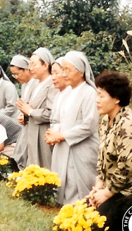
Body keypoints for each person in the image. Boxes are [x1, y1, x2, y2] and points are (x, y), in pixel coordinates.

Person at [87, 71, 132, 218]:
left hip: (130, 191)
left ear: (116, 98)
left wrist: (107, 193)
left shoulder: (128, 124)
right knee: (79, 212)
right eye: (97, 95)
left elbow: (126, 168)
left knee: (95, 222)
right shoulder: (105, 120)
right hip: (110, 187)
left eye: (101, 96)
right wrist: (99, 184)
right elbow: (102, 157)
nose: (97, 100)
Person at [45, 51, 98, 205]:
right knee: (64, 180)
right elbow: (56, 117)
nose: (64, 73)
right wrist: (53, 133)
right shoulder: (65, 93)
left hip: (81, 147)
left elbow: (89, 125)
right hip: (62, 144)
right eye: (63, 69)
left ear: (80, 72)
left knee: (78, 183)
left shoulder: (89, 93)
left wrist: (62, 135)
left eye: (68, 70)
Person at [12, 47, 58, 170]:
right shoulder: (35, 84)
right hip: (31, 132)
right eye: (29, 64)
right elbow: (29, 108)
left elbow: (52, 113)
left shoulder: (52, 85)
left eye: (34, 64)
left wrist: (30, 112)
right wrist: (24, 115)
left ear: (45, 65)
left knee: (46, 166)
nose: (30, 68)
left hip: (44, 134)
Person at [48, 57, 71, 132]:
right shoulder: (58, 95)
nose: (53, 77)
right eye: (52, 73)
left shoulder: (71, 94)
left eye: (56, 73)